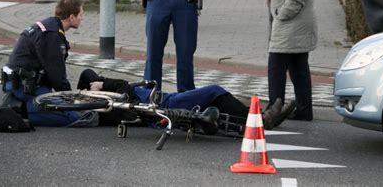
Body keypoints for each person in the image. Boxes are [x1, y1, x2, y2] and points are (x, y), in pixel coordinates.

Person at [77, 69, 296, 131]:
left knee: (214, 101)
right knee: (214, 90)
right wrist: (106, 85)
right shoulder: (109, 104)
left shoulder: (108, 95)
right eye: (95, 82)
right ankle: (261, 118)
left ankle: (258, 116)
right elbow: (128, 91)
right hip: (165, 104)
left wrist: (104, 84)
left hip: (164, 100)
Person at [1, 0, 98, 127]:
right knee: (75, 117)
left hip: (24, 84)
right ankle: (19, 110)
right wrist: (71, 100)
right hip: (25, 88)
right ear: (71, 17)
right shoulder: (51, 35)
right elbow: (56, 75)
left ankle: (21, 106)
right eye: (81, 14)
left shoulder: (49, 26)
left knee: (67, 108)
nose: (82, 18)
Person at [264, 0, 317, 121]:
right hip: (296, 27)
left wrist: (280, 14)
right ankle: (304, 110)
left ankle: (273, 111)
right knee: (298, 68)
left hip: (290, 26)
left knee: (276, 67)